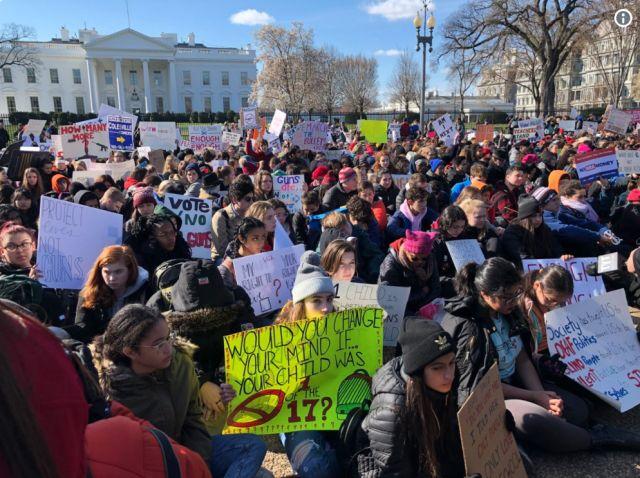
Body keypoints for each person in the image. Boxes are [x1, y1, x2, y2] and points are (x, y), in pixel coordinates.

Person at [442, 257, 640, 453]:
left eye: (516, 294)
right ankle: (596, 440)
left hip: (517, 383)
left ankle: (572, 429)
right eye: (507, 297)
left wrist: (542, 396)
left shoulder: (508, 313)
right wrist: (534, 396)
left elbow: (522, 358)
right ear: (485, 294)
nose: (513, 301)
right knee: (535, 421)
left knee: (578, 410)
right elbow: (481, 384)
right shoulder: (469, 327)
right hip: (493, 396)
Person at [94, 304, 268, 477]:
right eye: (158, 344)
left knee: (252, 446)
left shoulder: (180, 366)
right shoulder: (108, 393)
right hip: (146, 469)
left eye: (168, 338)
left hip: (185, 457)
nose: (169, 349)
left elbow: (193, 420)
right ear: (130, 352)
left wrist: (198, 466)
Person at [361, 318, 463, 477]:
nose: (449, 375)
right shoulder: (391, 415)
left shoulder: (440, 386)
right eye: (437, 368)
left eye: (452, 363)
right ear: (417, 374)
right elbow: (396, 474)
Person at [275, 252, 341, 478]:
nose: (325, 308)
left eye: (329, 300)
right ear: (300, 304)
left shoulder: (344, 330)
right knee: (316, 469)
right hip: (297, 419)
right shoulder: (279, 338)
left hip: (336, 409)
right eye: (317, 300)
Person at [68, 245, 148, 343]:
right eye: (107, 272)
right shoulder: (89, 293)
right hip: (100, 349)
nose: (112, 278)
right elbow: (82, 328)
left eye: (118, 272)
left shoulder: (146, 289)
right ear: (100, 271)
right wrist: (59, 332)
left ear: (130, 270)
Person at [379, 230, 440, 315]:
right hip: (401, 309)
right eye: (414, 258)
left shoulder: (430, 258)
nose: (420, 262)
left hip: (424, 305)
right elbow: (393, 298)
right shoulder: (391, 264)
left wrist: (424, 307)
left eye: (424, 259)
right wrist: (422, 293)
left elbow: (435, 287)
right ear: (406, 252)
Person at [501, 196, 567, 266]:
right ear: (525, 217)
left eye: (540, 215)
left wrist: (562, 257)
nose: (538, 219)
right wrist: (539, 267)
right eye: (534, 216)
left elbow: (556, 248)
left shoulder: (544, 229)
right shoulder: (512, 233)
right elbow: (522, 257)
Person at [125, 213, 192, 275]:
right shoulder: (142, 261)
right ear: (152, 237)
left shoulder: (181, 249)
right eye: (163, 234)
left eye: (172, 232)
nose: (170, 238)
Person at [211, 180, 254, 262]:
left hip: (245, 256)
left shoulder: (251, 214)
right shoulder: (221, 216)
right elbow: (222, 250)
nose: (252, 202)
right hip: (223, 259)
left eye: (253, 198)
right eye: (248, 199)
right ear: (234, 200)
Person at [218, 217, 266, 288]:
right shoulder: (227, 270)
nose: (261, 242)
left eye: (263, 237)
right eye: (255, 238)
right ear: (241, 238)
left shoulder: (264, 258)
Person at [432, 205, 467, 298]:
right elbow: (434, 273)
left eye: (462, 226)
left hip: (459, 276)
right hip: (443, 281)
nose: (459, 230)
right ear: (446, 224)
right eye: (455, 227)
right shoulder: (435, 242)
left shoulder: (462, 237)